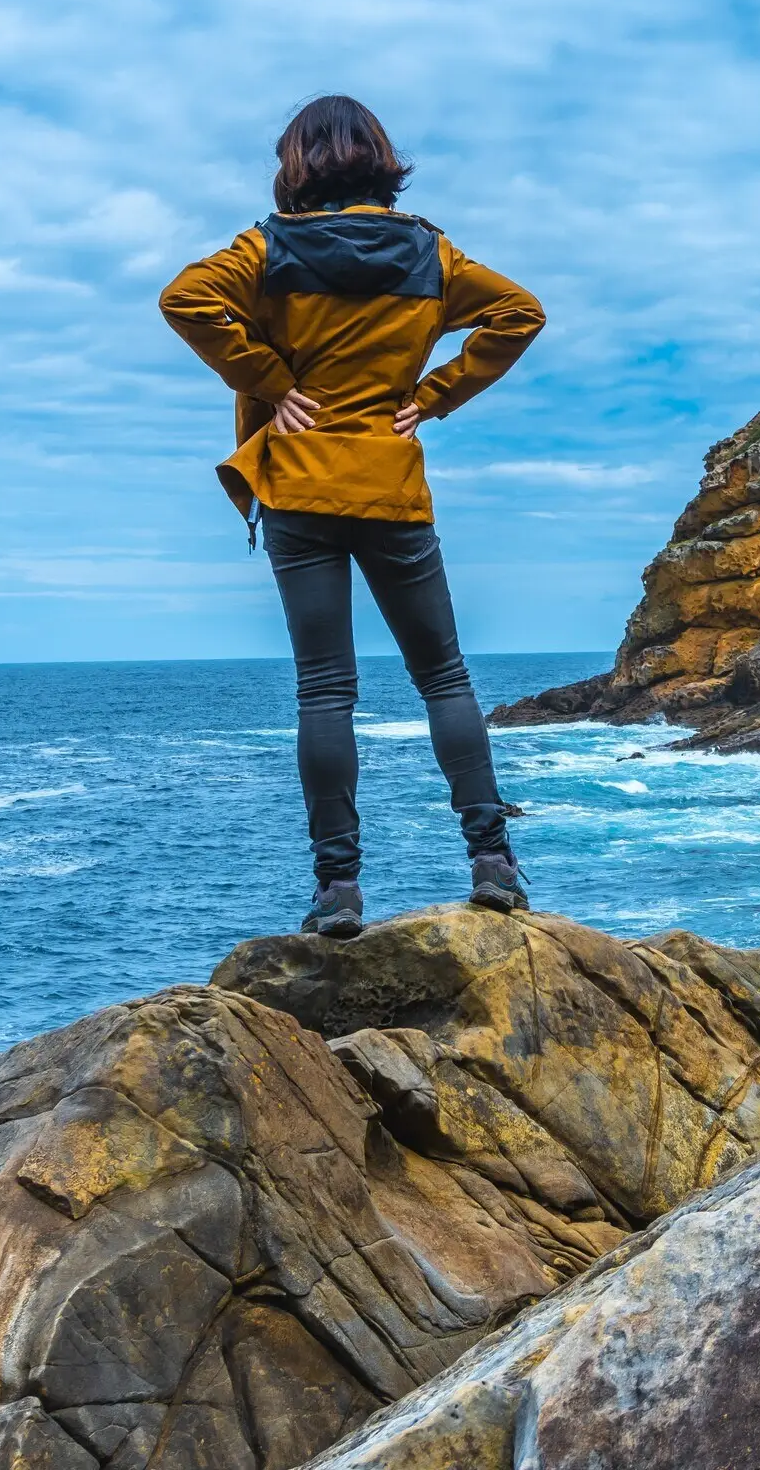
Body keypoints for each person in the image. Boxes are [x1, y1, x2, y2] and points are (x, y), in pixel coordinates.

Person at [160, 94, 544, 938]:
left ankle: (338, 891)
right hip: (391, 487)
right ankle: (494, 865)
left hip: (298, 487)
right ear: (380, 158)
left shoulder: (264, 249)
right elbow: (520, 313)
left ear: (297, 162)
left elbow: (183, 299)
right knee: (442, 676)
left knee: (325, 689)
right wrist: (434, 395)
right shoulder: (432, 253)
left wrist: (270, 381)